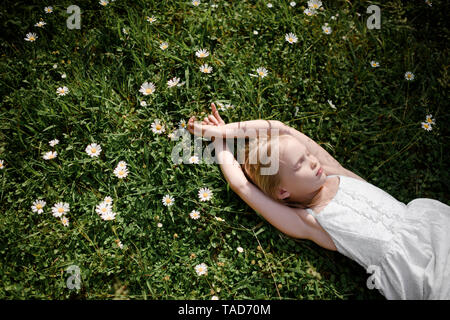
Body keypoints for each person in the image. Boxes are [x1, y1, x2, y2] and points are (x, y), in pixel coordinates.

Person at [187, 103, 450, 300]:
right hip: (421, 273)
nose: (312, 160)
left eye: (306, 155)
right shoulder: (310, 221)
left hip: (436, 231)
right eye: (300, 163)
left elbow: (279, 127)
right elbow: (241, 185)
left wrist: (222, 130)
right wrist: (218, 142)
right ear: (282, 193)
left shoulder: (336, 172)